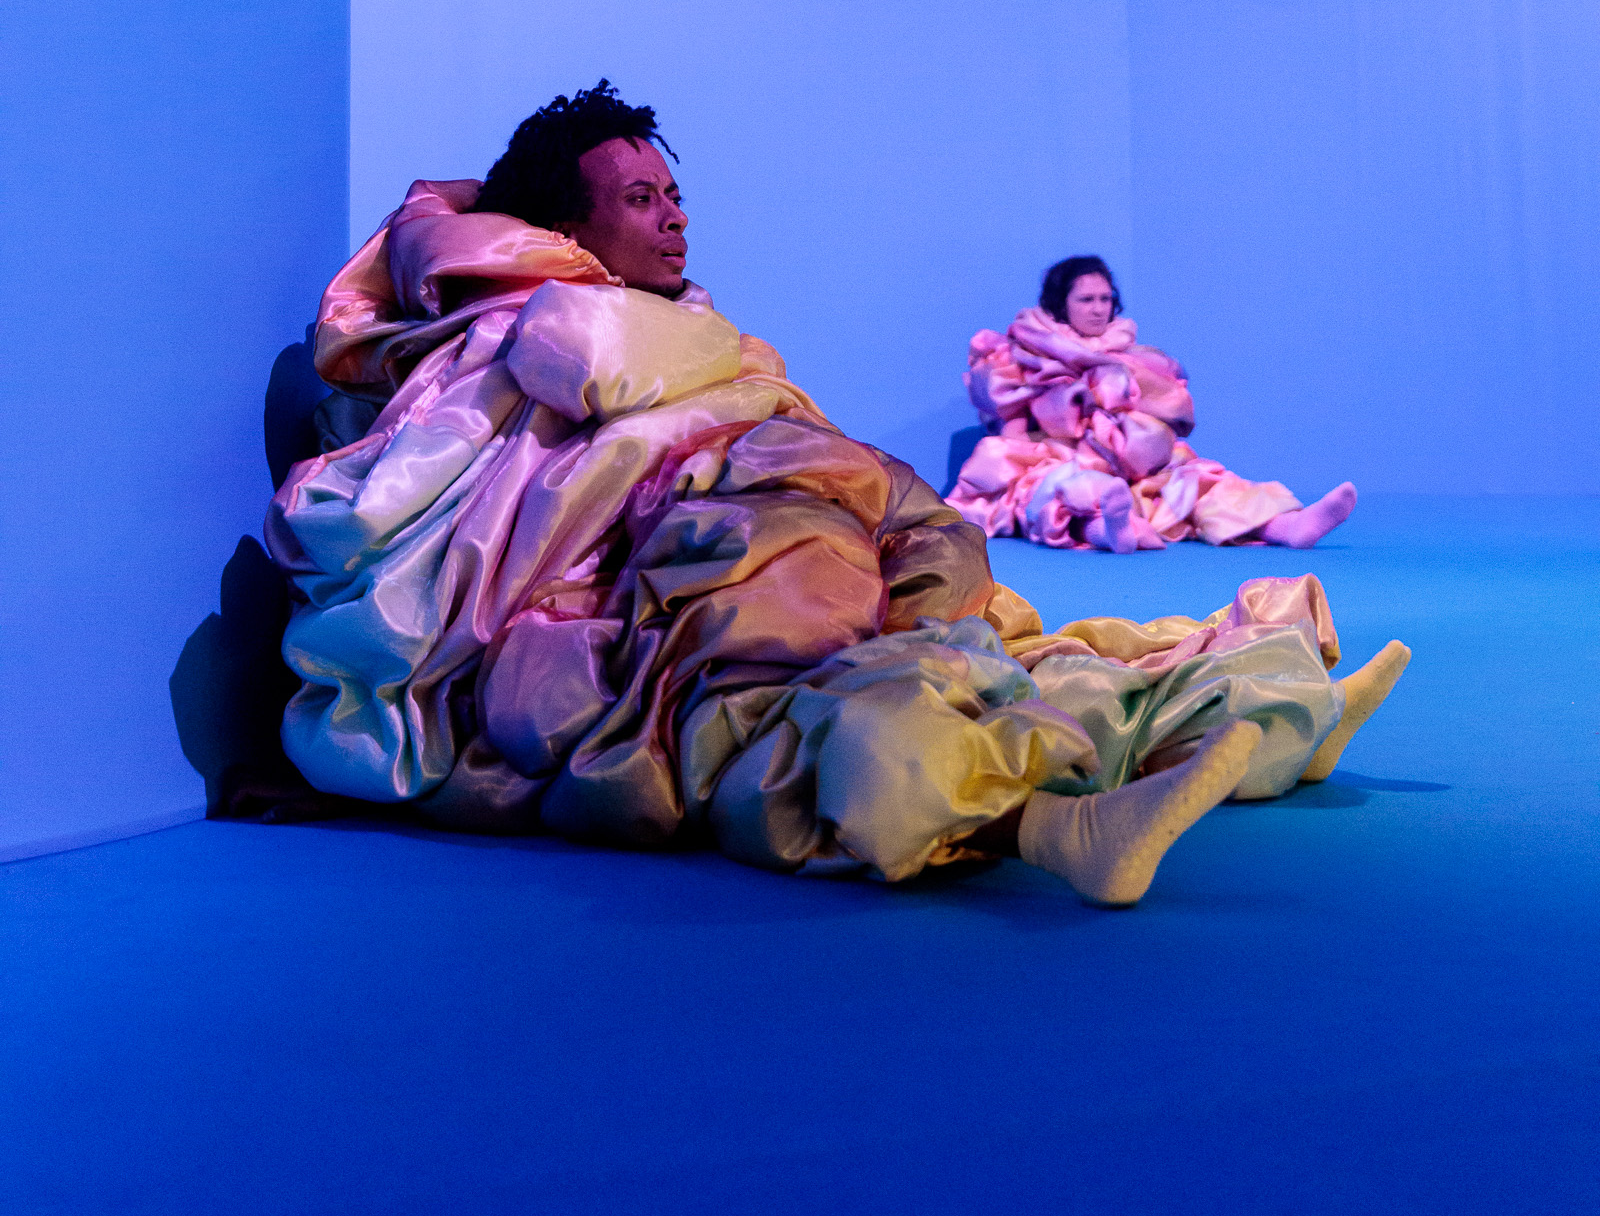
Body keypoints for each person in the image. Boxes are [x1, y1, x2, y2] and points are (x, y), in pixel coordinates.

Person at [263, 87, 1405, 907]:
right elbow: (528, 465)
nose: (674, 216)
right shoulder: (526, 324)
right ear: (567, 230)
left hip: (728, 520)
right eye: (641, 199)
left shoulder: (662, 321)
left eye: (674, 193)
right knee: (771, 674)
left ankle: (1250, 712)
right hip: (647, 572)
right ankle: (1045, 823)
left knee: (961, 622)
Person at [948, 255, 1358, 555]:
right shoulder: (1023, 355)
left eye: (1105, 299)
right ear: (1061, 303)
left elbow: (1162, 418)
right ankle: (1113, 531)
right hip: (1063, 455)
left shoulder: (1130, 355)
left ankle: (1288, 527)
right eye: (1086, 299)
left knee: (1197, 479)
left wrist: (1145, 450)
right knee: (1063, 490)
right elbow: (1014, 440)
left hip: (1131, 465)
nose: (1099, 309)